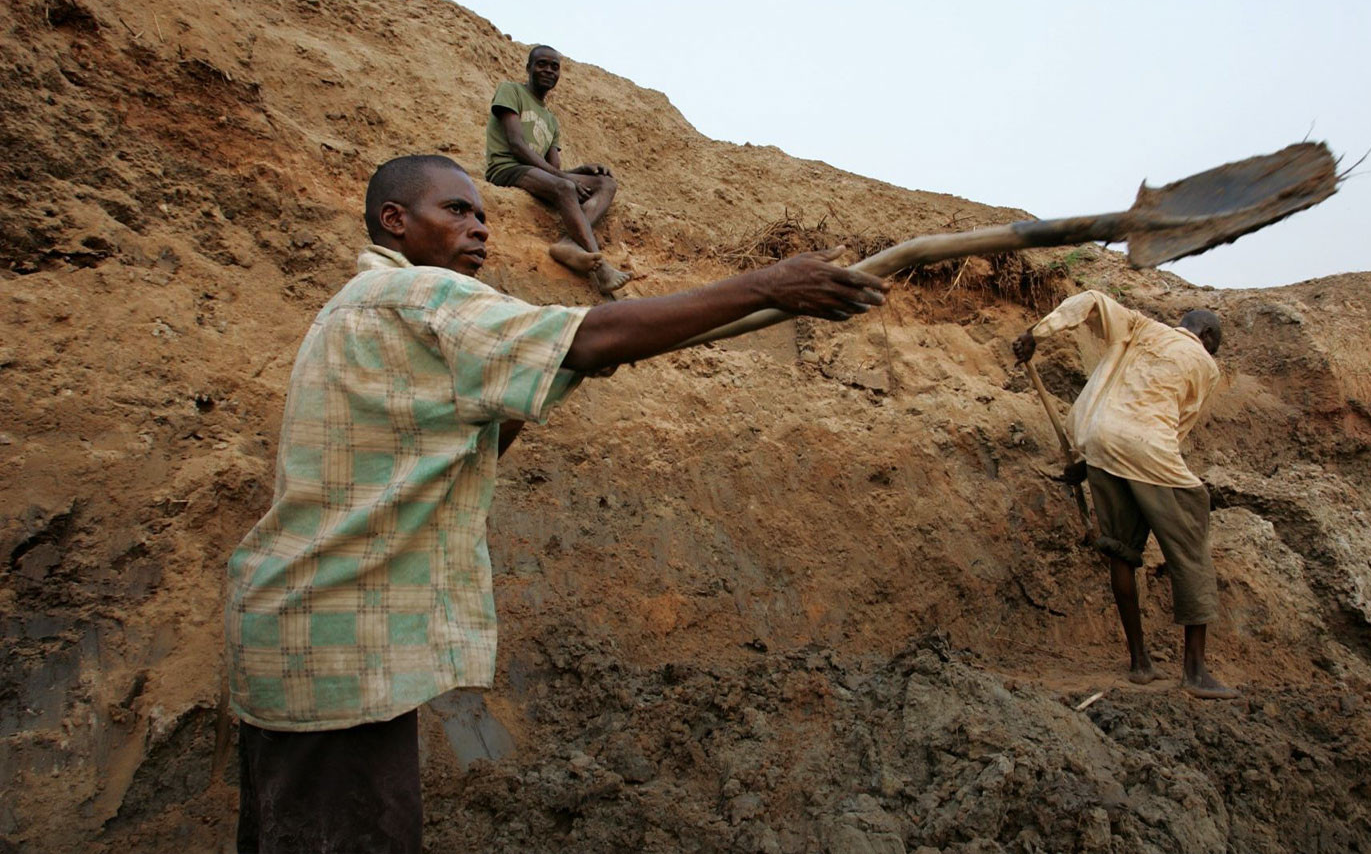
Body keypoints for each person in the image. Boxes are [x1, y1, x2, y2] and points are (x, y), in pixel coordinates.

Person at [224, 154, 888, 852]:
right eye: (456, 210)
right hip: (336, 652)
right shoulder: (418, 297)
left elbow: (437, 451)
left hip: (295, 633)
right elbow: (594, 334)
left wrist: (541, 382)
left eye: (482, 213)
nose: (479, 227)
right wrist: (768, 283)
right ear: (395, 220)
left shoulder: (357, 309)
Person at [1012, 290, 1237, 700]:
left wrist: (1037, 333)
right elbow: (1178, 425)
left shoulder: (1140, 327)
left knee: (1121, 551)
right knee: (1192, 552)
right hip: (1148, 447)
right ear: (1205, 335)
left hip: (1097, 441)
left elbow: (1092, 300)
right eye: (1214, 344)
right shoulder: (1206, 365)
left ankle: (1140, 663)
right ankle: (1195, 671)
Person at [484, 43, 632, 295]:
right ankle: (601, 267)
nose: (548, 70)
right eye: (541, 64)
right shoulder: (511, 91)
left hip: (532, 172)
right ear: (529, 67)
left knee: (606, 183)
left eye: (555, 66)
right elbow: (517, 146)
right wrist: (567, 179)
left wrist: (581, 170)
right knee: (565, 185)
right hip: (506, 168)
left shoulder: (551, 120)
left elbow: (553, 168)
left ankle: (568, 243)